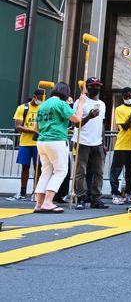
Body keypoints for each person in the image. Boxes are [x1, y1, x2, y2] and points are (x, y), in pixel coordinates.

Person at [34, 82, 85, 213]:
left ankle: (39, 204)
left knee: (45, 172)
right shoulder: (61, 104)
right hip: (56, 141)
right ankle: (48, 202)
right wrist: (81, 103)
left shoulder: (42, 105)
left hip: (42, 141)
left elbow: (36, 127)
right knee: (61, 171)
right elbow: (77, 119)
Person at [71, 77, 108, 209]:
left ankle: (96, 198)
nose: (95, 88)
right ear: (87, 87)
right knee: (81, 171)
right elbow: (75, 124)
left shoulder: (102, 104)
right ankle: (81, 198)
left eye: (98, 85)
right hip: (82, 141)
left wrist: (103, 141)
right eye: (92, 85)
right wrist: (89, 117)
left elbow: (102, 124)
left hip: (97, 142)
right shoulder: (81, 102)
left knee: (99, 172)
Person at [7, 89, 44, 201]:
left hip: (39, 143)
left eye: (43, 99)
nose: (41, 101)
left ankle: (37, 192)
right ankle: (23, 191)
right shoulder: (22, 108)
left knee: (39, 168)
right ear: (35, 97)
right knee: (25, 167)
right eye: (40, 98)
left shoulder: (43, 108)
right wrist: (32, 131)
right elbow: (18, 126)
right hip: (25, 142)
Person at [110, 87, 131, 205]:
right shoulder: (119, 109)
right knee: (116, 171)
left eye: (130, 96)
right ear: (123, 97)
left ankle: (129, 192)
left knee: (130, 173)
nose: (128, 99)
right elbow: (125, 126)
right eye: (126, 97)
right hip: (122, 145)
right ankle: (115, 193)